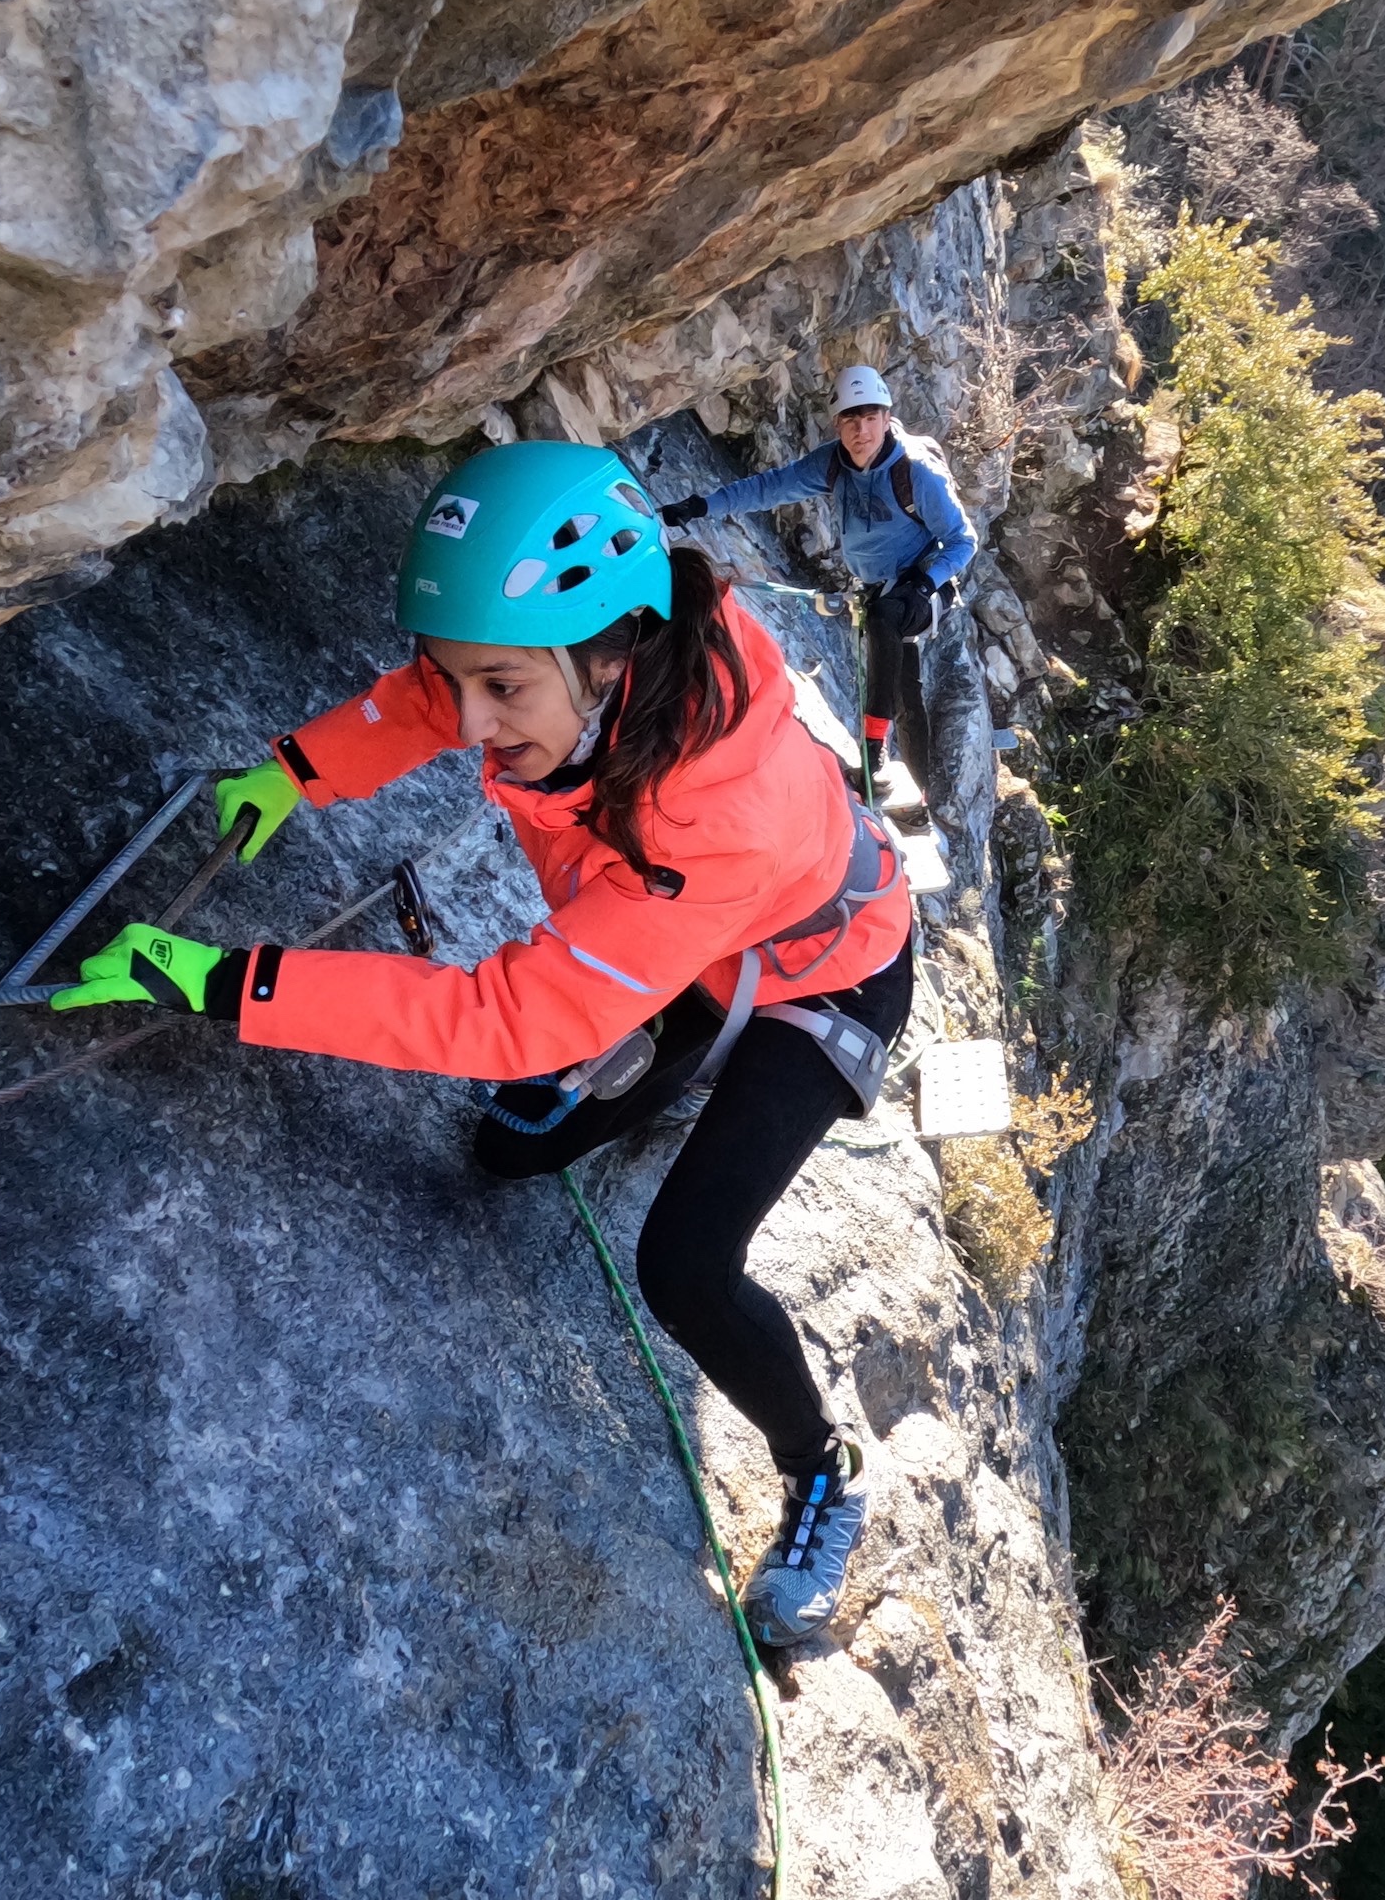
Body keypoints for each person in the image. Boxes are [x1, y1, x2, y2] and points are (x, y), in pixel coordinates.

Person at [51, 441, 915, 1648]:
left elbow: (503, 1013)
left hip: (826, 975)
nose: (469, 722)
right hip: (690, 957)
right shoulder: (596, 667)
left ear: (611, 659)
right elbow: (435, 693)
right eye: (463, 683)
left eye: (502, 691)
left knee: (683, 1261)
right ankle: (659, 1073)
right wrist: (300, 772)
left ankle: (819, 1467)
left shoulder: (716, 819)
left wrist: (228, 984)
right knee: (509, 1148)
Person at [659, 365, 977, 824]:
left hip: (926, 583)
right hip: (877, 585)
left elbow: (963, 540)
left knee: (889, 626)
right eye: (850, 419)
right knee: (904, 684)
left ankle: (872, 758)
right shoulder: (833, 464)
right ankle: (918, 799)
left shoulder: (915, 474)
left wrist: (925, 583)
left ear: (887, 418)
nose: (861, 429)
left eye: (870, 417)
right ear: (837, 425)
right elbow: (768, 487)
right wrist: (701, 506)